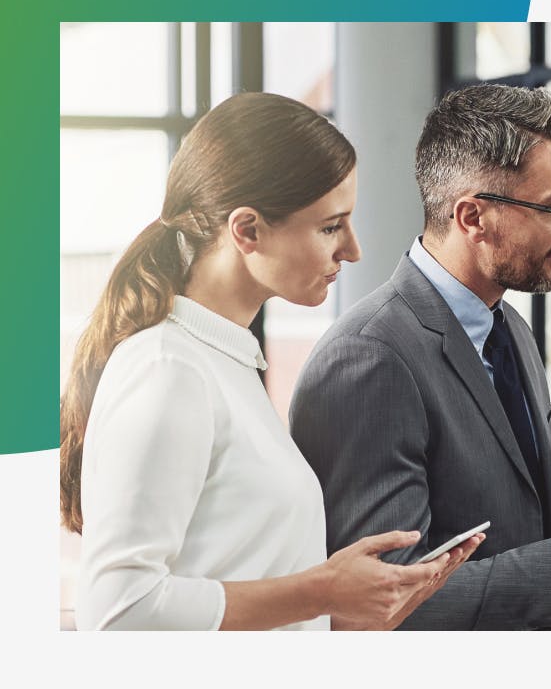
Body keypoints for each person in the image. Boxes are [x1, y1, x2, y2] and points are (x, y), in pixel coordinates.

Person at [61, 93, 481, 631]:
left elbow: (242, 584)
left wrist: (358, 608)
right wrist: (323, 591)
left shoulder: (225, 362)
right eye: (331, 226)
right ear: (248, 231)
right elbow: (118, 611)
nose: (352, 249)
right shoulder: (170, 369)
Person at [290, 84, 551, 631]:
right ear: (473, 218)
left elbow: (534, 546)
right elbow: (383, 608)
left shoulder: (509, 329)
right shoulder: (369, 359)